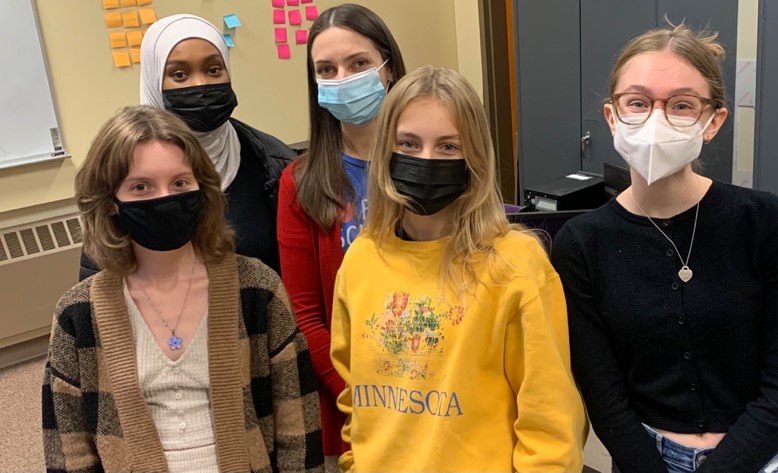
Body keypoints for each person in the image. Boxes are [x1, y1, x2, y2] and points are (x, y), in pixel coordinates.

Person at [551, 23, 778, 473]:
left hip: (758, 460)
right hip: (645, 460)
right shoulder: (581, 244)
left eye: (681, 105)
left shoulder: (771, 224)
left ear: (713, 122)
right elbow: (604, 395)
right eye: (637, 102)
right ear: (612, 116)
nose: (656, 119)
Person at [329, 66, 588, 472]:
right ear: (385, 153)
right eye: (408, 144)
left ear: (474, 158)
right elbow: (354, 395)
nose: (426, 160)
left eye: (448, 147)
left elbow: (550, 420)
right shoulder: (361, 259)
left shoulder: (515, 265)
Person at [42, 106, 323, 473]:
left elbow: (297, 424)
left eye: (179, 183)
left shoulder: (257, 289)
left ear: (201, 188)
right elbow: (69, 451)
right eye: (141, 187)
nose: (165, 198)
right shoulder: (77, 315)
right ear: (111, 201)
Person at [276, 3, 406, 459]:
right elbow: (306, 315)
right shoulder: (300, 183)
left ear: (388, 69)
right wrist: (361, 394)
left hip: (442, 391)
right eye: (326, 70)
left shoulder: (433, 162)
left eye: (358, 63)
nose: (342, 78)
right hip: (351, 403)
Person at [79, 14, 295, 280]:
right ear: (154, 82)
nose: (201, 84)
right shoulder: (123, 166)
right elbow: (99, 281)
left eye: (214, 70)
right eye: (179, 74)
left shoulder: (274, 163)